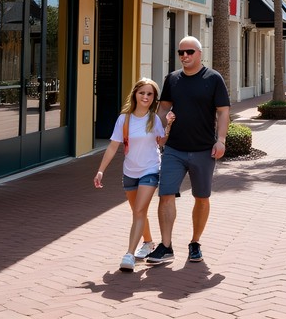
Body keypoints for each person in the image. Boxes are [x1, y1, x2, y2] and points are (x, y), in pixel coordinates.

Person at [145, 36, 230, 266]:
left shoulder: (213, 79)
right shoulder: (172, 79)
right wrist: (157, 133)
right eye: (180, 52)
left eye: (189, 52)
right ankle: (166, 246)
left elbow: (223, 111)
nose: (184, 56)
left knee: (201, 198)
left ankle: (195, 243)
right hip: (174, 149)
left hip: (203, 150)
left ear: (199, 53)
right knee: (165, 194)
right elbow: (163, 108)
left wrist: (220, 140)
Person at [93, 78, 169, 272]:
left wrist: (169, 125)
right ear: (135, 94)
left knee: (139, 211)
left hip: (150, 169)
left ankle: (129, 254)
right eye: (142, 92)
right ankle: (149, 242)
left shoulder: (154, 119)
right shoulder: (124, 119)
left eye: (150, 94)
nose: (145, 97)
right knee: (138, 211)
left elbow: (161, 143)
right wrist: (101, 170)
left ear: (154, 98)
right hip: (130, 172)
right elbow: (112, 147)